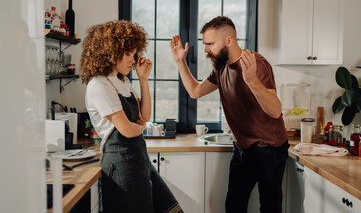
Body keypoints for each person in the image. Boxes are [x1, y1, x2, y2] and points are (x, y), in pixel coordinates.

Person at [170, 16, 289, 213]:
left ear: (229, 41)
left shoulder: (255, 64)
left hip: (269, 150)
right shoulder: (221, 68)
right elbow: (195, 91)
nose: (206, 49)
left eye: (210, 44)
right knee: (233, 206)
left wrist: (252, 81)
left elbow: (275, 110)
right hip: (242, 149)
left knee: (270, 208)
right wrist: (180, 62)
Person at [80, 20, 182, 213]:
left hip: (139, 161)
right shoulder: (99, 85)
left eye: (134, 54)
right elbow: (127, 130)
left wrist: (143, 79)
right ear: (110, 52)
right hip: (121, 166)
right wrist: (142, 127)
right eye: (128, 54)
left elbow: (145, 114)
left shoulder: (122, 81)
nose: (133, 60)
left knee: (170, 208)